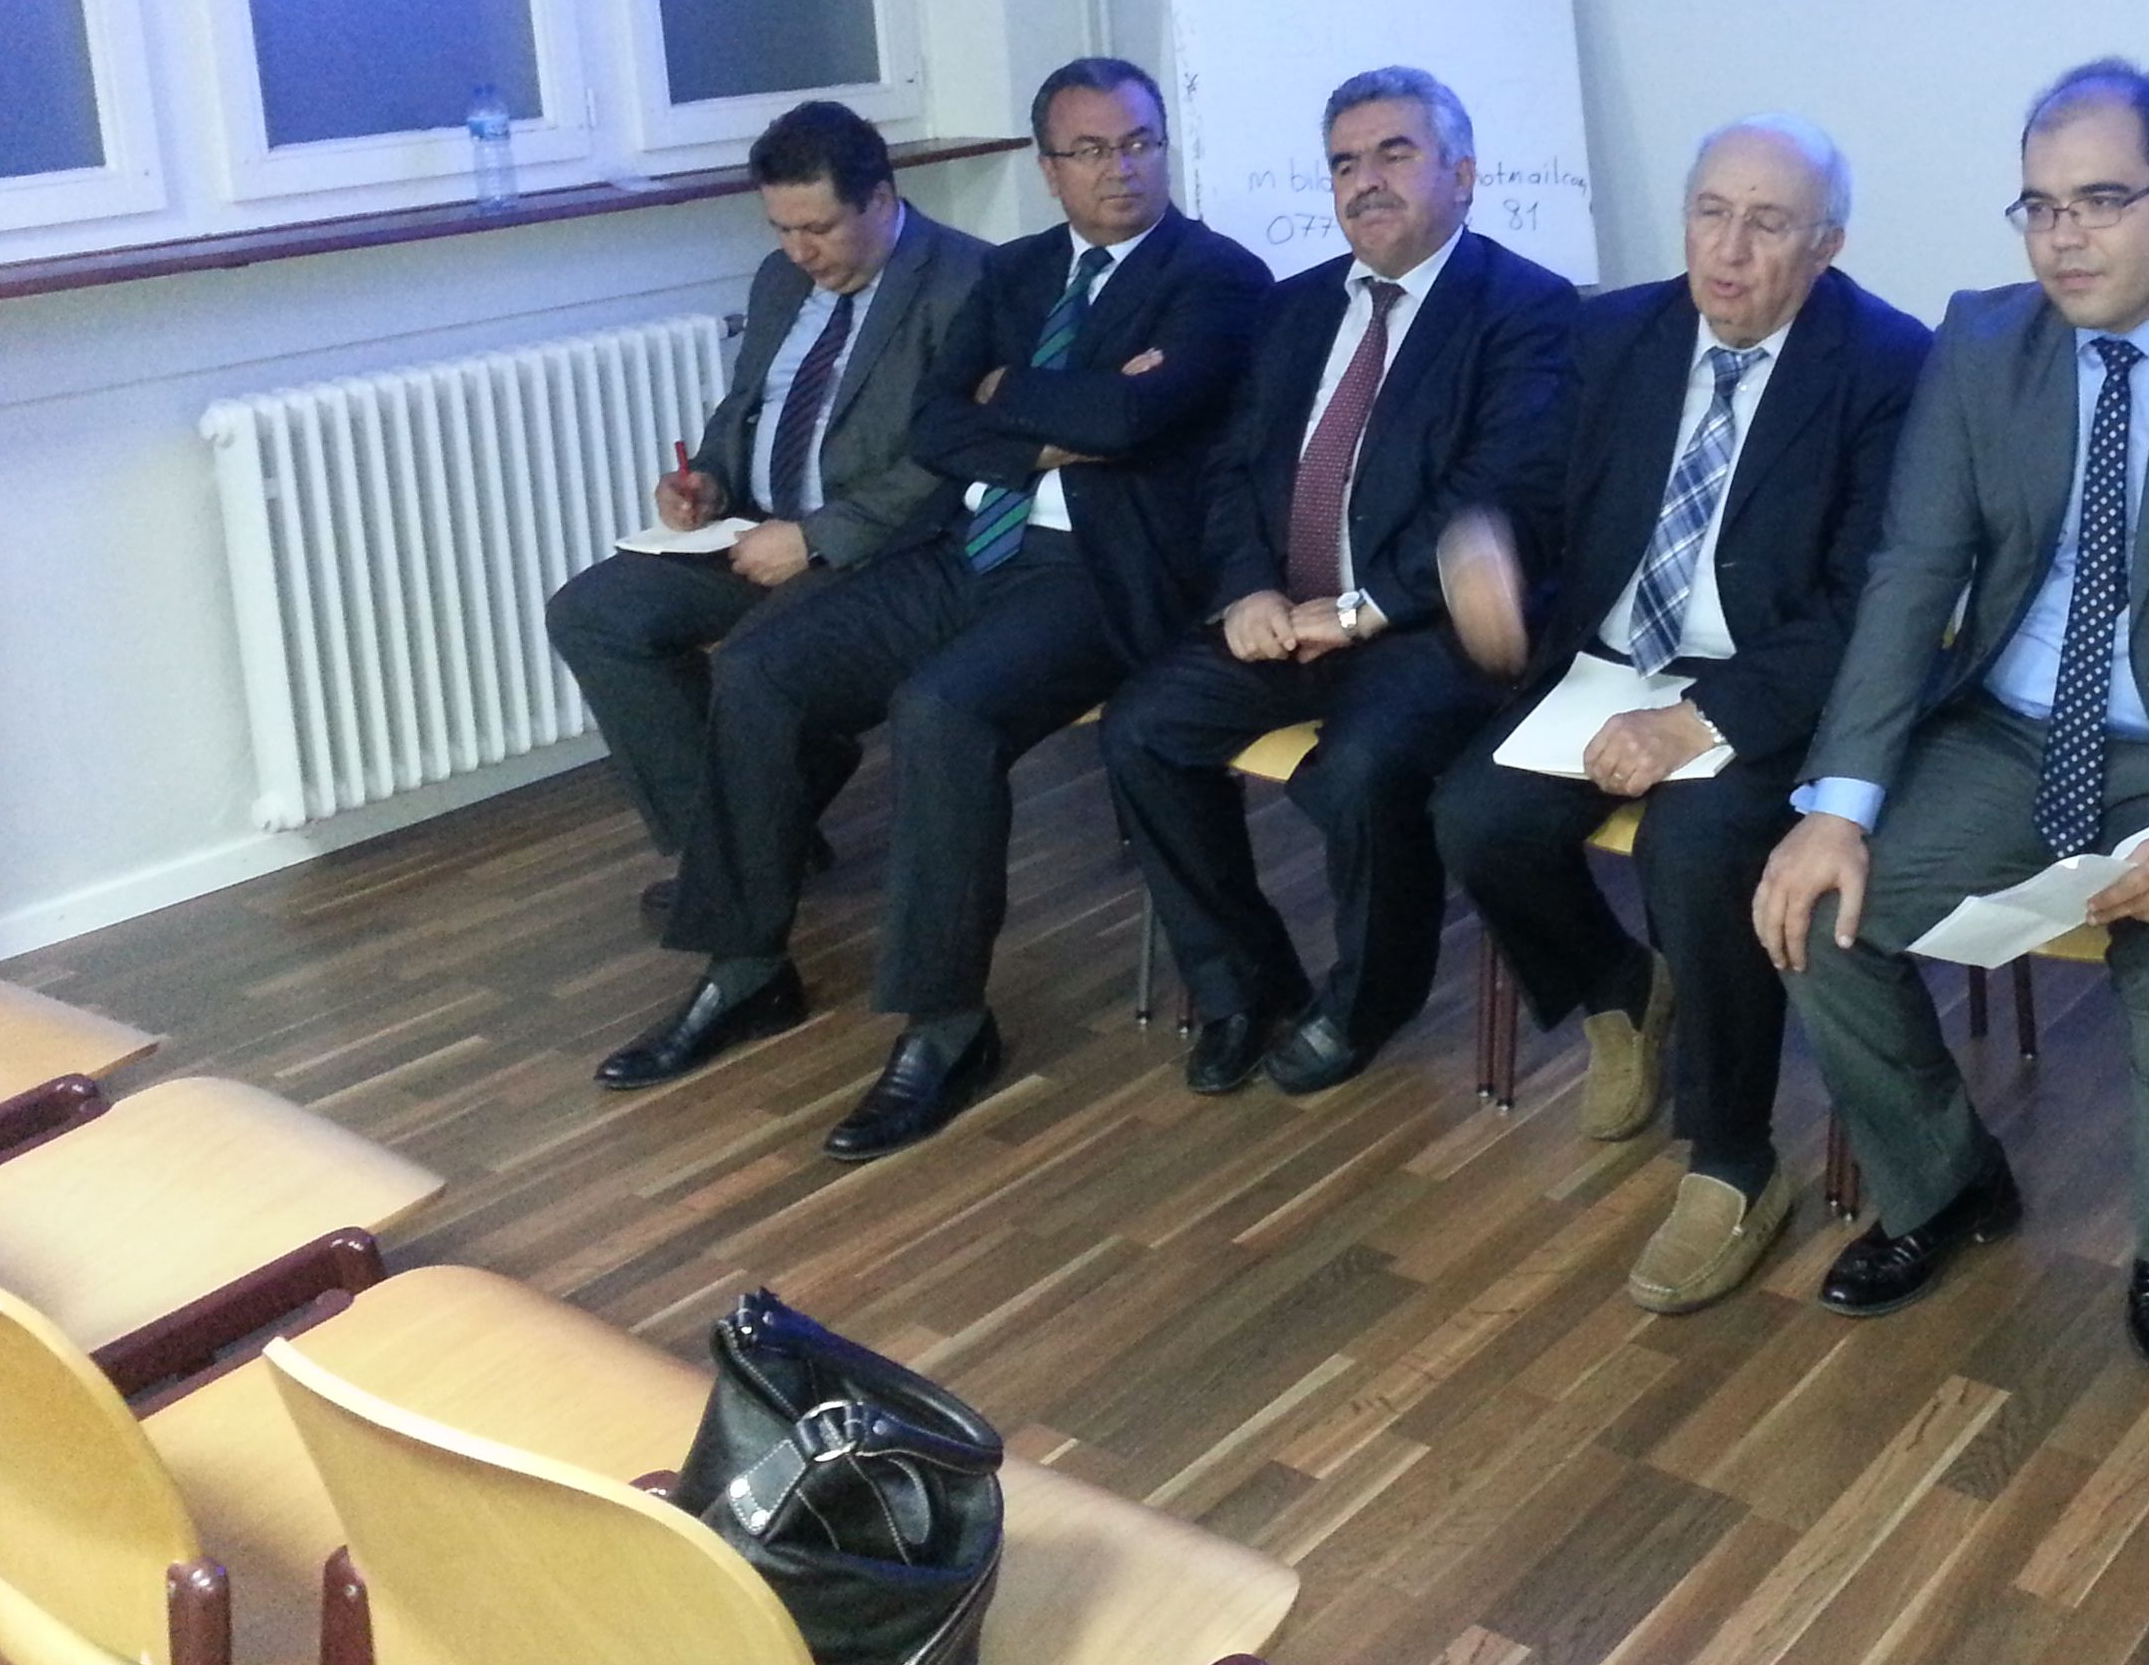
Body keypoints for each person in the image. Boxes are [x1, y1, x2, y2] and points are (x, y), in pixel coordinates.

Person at [1754, 59, 2149, 1368]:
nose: (2064, 238)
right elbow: (1912, 573)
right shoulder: (1984, 343)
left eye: (2101, 200)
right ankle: (1944, 1185)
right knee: (1814, 907)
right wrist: (1838, 805)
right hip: (2008, 733)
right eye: (2040, 207)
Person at [593, 61, 1270, 1160]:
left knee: (942, 711)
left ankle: (947, 1026)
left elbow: (1136, 420)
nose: (1121, 167)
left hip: (1097, 571)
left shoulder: (1219, 276)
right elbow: (939, 429)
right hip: (964, 545)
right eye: (1091, 150)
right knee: (760, 670)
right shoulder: (1018, 271)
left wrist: (1018, 401)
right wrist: (1055, 420)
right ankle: (747, 967)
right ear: (1048, 169)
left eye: (1140, 141)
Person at [1428, 116, 1930, 1313]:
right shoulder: (1617, 334)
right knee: (1473, 817)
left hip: (1769, 685)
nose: (1729, 249)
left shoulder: (1888, 363)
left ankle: (1734, 1160)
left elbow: (1870, 598)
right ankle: (1618, 985)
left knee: (1697, 850)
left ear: (1826, 244)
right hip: (1615, 662)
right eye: (1711, 212)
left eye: (1767, 224)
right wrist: (1485, 544)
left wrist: (1702, 721)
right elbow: (1531, 491)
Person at [1102, 67, 1574, 1096]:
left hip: (1426, 627)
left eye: (1394, 154)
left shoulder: (1527, 308)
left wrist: (1362, 609)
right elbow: (1234, 470)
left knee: (1360, 770)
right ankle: (1243, 984)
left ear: (1463, 174)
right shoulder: (1293, 306)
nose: (1366, 181)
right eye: (1345, 163)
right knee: (1141, 729)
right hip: (1285, 613)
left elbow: (1499, 491)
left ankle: (1368, 1000)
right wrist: (1246, 591)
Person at [546, 102, 985, 910]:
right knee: (593, 614)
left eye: (817, 228)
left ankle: (737, 871)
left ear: (881, 200)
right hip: (752, 528)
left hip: (882, 553)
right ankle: (736, 851)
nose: (798, 251)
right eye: (782, 228)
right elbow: (748, 404)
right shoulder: (780, 280)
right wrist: (709, 478)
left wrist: (815, 538)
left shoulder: (967, 283)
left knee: (757, 657)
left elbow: (953, 462)